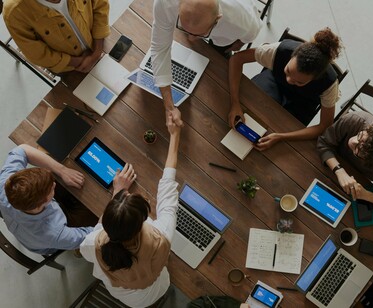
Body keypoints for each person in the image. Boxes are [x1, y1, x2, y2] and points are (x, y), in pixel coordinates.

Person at [80, 114, 181, 307]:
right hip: (151, 293)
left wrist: (117, 191)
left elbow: (92, 243)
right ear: (142, 222)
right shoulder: (161, 237)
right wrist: (175, 135)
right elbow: (168, 191)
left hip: (126, 296)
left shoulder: (94, 242)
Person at [151, 0, 262, 127]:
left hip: (226, 37)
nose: (191, 39)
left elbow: (251, 33)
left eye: (198, 34)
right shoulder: (164, 3)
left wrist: (241, 42)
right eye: (184, 27)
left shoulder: (241, 21)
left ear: (218, 18)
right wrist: (169, 106)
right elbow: (160, 49)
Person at [228, 27, 342, 151]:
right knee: (250, 107)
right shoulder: (279, 51)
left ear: (315, 79)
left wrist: (280, 137)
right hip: (274, 82)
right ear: (293, 55)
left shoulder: (329, 84)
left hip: (303, 103)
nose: (289, 80)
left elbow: (325, 126)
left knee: (282, 134)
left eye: (299, 81)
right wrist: (235, 103)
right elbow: (236, 59)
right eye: (288, 71)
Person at [0, 144, 97, 255]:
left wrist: (62, 170)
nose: (54, 184)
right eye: (51, 188)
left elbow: (22, 149)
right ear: (44, 202)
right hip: (52, 240)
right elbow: (94, 237)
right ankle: (78, 250)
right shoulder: (54, 234)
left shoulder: (7, 184)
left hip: (26, 226)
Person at [317, 111, 373, 208]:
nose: (353, 141)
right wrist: (339, 171)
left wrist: (365, 194)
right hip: (326, 165)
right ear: (368, 129)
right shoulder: (355, 120)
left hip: (354, 186)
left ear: (371, 162)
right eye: (360, 136)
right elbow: (324, 143)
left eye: (358, 149)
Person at [2, 0, 110, 73]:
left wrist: (96, 52)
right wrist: (79, 62)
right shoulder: (14, 12)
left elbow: (100, 6)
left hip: (100, 44)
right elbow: (37, 54)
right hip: (70, 68)